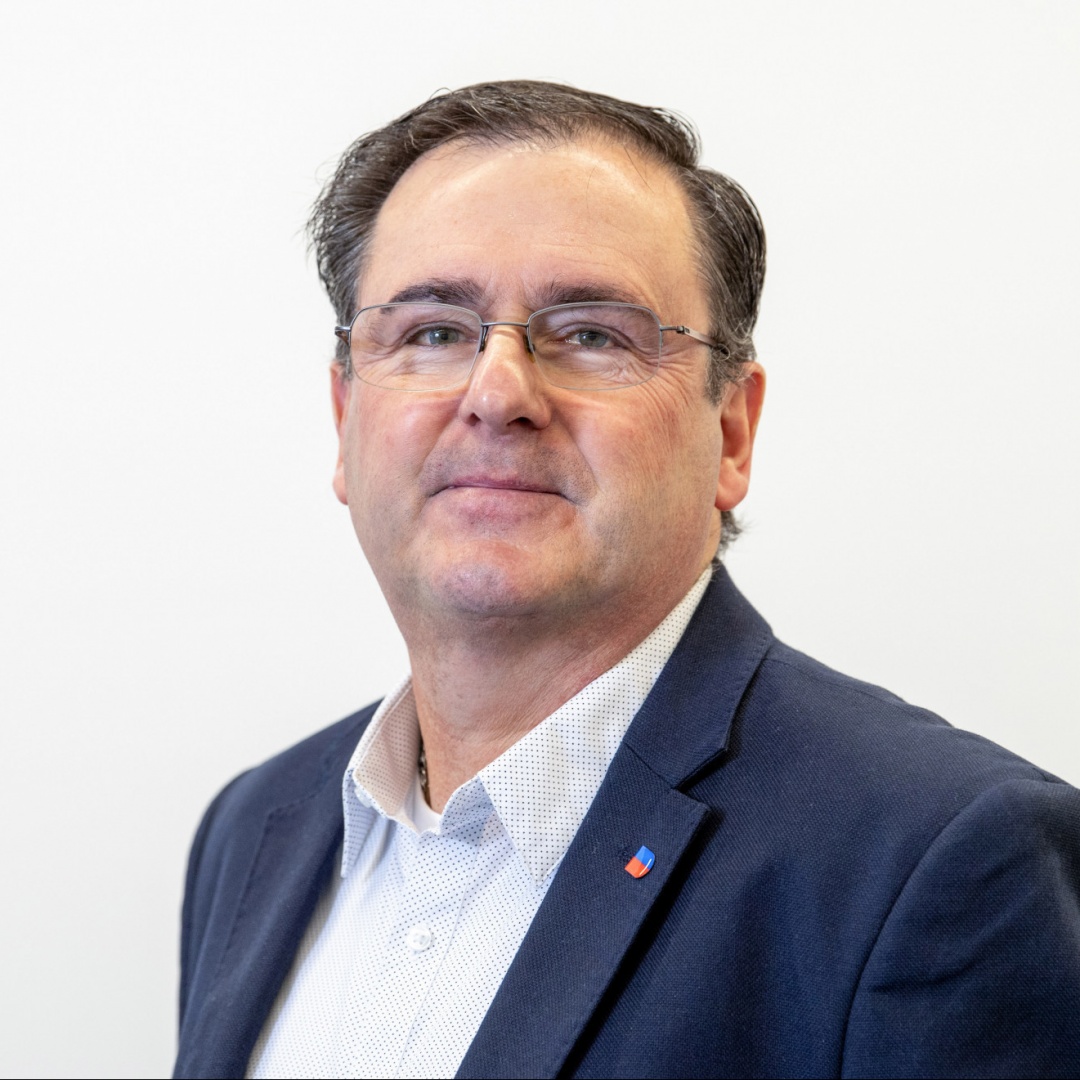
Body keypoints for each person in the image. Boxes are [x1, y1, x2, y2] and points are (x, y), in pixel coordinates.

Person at [173, 81, 1080, 1079]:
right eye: (433, 332)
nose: (498, 393)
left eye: (592, 334)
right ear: (346, 417)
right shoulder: (255, 829)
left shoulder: (941, 860)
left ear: (730, 432)